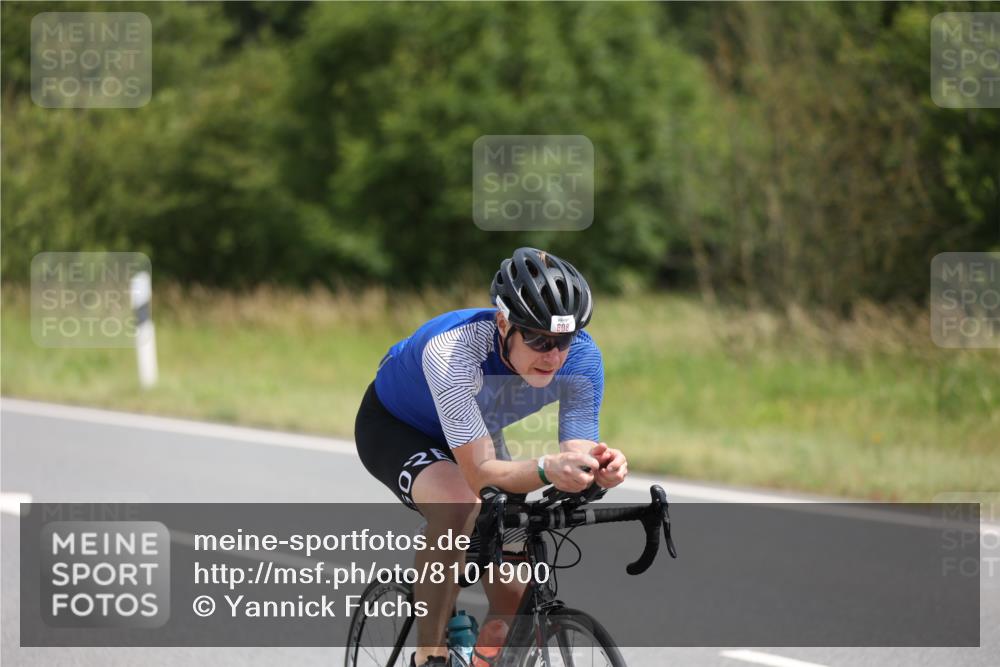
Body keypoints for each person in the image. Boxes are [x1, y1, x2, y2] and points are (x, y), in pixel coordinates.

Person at [354, 247, 628, 667]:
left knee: (515, 602)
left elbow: (577, 450)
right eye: (538, 339)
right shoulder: (454, 352)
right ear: (503, 324)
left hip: (475, 428)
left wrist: (600, 469)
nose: (553, 355)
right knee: (460, 502)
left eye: (563, 341)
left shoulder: (585, 359)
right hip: (399, 428)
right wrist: (545, 468)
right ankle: (431, 656)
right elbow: (480, 472)